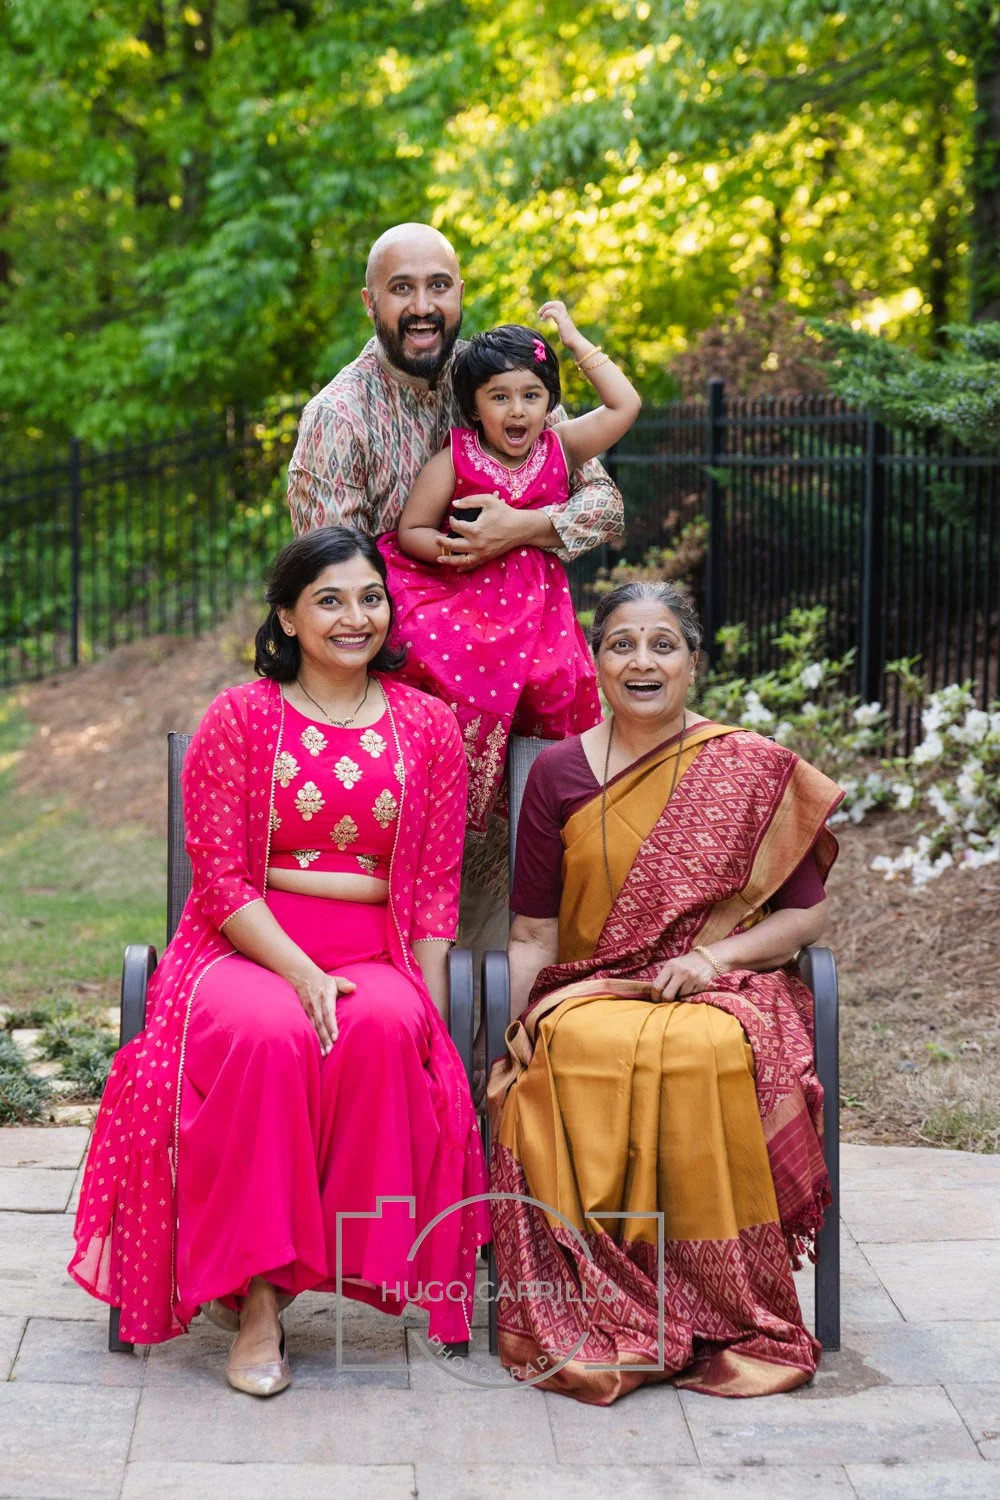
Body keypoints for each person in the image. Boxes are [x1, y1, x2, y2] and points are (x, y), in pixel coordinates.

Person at [69, 528, 489, 1396]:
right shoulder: (243, 716)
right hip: (244, 947)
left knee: (380, 1032)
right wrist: (299, 972)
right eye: (329, 600)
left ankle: (325, 1271)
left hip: (375, 948)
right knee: (270, 1039)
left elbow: (438, 894)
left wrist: (434, 1018)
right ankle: (259, 1306)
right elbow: (221, 882)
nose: (354, 616)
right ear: (289, 617)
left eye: (369, 597)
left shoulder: (428, 726)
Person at [487, 580, 843, 1405]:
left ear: (692, 662)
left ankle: (727, 1304)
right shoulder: (560, 775)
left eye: (662, 645)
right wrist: (511, 1037)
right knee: (573, 1048)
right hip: (591, 989)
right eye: (621, 645)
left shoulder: (748, 767)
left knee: (710, 1049)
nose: (641, 661)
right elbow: (537, 935)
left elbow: (807, 919)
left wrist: (715, 962)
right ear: (597, 662)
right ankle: (612, 1296)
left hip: (722, 988)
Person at [286, 224, 625, 936]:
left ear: (459, 295)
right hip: (401, 683)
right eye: (402, 288)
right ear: (370, 300)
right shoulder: (337, 418)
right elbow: (328, 588)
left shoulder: (502, 377)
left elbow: (603, 506)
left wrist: (522, 529)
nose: (421, 305)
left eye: (437, 286)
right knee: (425, 914)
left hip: (524, 648)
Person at [378, 309, 641, 831]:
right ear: (474, 406)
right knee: (450, 664)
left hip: (539, 614)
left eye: (531, 395)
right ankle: (452, 791)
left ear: (550, 402)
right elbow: (411, 530)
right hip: (468, 600)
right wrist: (456, 550)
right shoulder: (456, 459)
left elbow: (625, 404)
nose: (517, 410)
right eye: (499, 396)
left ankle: (539, 800)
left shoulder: (561, 449)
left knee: (556, 682)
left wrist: (573, 338)